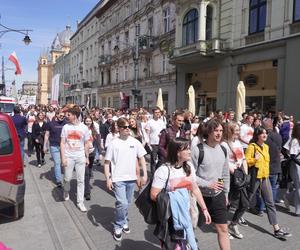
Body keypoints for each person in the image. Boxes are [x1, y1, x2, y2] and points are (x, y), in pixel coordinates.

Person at [151, 138, 211, 249]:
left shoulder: (189, 167)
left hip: (187, 214)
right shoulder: (164, 170)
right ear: (177, 152)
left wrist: (204, 209)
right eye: (186, 149)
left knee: (185, 243)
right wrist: (174, 199)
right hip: (170, 217)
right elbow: (154, 194)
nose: (190, 151)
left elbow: (195, 189)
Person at [104, 117, 147, 241]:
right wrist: (108, 178)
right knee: (121, 203)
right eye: (125, 127)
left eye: (129, 127)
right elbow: (106, 163)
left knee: (127, 203)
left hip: (131, 178)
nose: (128, 129)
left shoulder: (134, 141)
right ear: (119, 128)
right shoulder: (114, 143)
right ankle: (118, 225)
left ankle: (123, 221)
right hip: (118, 178)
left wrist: (144, 174)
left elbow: (142, 158)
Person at [245, 126, 292, 239]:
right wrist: (254, 160)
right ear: (257, 136)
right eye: (262, 134)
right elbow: (246, 161)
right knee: (246, 200)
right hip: (255, 178)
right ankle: (235, 221)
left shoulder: (266, 147)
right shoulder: (252, 147)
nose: (265, 135)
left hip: (265, 177)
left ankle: (276, 229)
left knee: (270, 203)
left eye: (266, 133)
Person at [191, 118, 230, 250]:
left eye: (221, 130)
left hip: (218, 196)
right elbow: (190, 175)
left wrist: (225, 193)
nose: (219, 133)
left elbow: (224, 174)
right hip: (198, 196)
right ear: (209, 132)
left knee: (223, 229)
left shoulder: (224, 149)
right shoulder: (198, 150)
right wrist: (207, 184)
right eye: (216, 130)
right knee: (191, 228)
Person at [60, 105, 90, 212]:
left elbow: (87, 143)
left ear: (75, 116)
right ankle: (66, 191)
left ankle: (80, 202)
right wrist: (63, 158)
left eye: (69, 114)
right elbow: (62, 143)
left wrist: (86, 157)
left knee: (81, 180)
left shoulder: (84, 128)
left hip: (80, 156)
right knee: (67, 178)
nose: (67, 116)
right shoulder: (66, 127)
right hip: (69, 156)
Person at [222, 122, 248, 239]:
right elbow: (223, 161)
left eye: (238, 130)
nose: (238, 132)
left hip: (239, 175)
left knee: (245, 203)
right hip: (228, 176)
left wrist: (246, 175)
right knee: (227, 203)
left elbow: (243, 159)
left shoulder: (238, 142)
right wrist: (232, 170)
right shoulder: (224, 144)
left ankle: (233, 224)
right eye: (235, 130)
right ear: (229, 130)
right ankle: (223, 228)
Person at [255, 120, 282, 215]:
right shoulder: (278, 136)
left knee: (262, 189)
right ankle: (270, 207)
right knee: (273, 188)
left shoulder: (261, 137)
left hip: (264, 167)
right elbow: (280, 149)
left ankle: (260, 208)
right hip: (275, 165)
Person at [43, 109, 66, 186]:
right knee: (57, 163)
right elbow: (46, 135)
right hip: (54, 146)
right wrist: (45, 145)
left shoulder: (66, 123)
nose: (62, 117)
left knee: (65, 163)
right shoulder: (50, 124)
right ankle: (59, 180)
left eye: (63, 116)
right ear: (56, 115)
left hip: (65, 147)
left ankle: (66, 178)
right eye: (60, 115)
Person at [283, 122, 300, 216]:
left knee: (298, 188)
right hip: (296, 165)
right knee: (299, 187)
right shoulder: (294, 141)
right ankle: (298, 210)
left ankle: (288, 197)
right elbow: (293, 156)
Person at [83, 115, 101, 200]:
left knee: (89, 170)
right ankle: (87, 192)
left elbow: (98, 142)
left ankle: (86, 183)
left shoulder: (94, 130)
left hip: (92, 153)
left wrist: (100, 153)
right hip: (83, 153)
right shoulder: (82, 130)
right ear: (84, 121)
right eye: (87, 121)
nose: (88, 122)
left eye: (89, 121)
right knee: (86, 173)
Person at [145, 107, 166, 174]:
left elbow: (164, 131)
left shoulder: (161, 121)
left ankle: (157, 171)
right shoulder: (150, 122)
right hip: (153, 143)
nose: (158, 114)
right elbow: (147, 133)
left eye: (159, 112)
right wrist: (148, 143)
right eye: (156, 112)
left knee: (162, 159)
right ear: (153, 113)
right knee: (153, 160)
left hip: (161, 143)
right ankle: (153, 175)